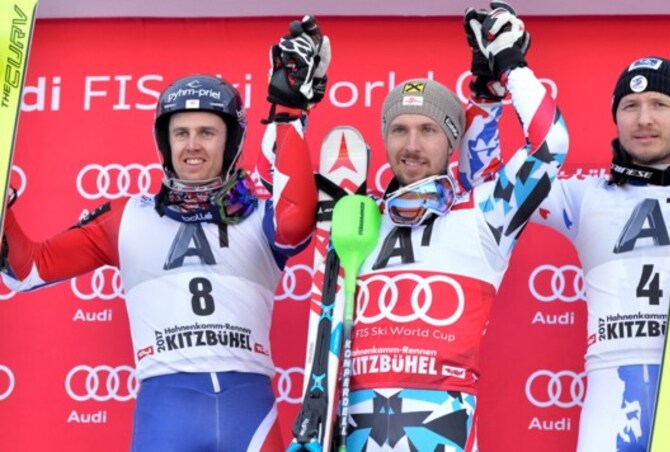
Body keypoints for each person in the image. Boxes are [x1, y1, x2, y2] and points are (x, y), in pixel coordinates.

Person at [459, 6, 670, 452]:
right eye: (630, 106)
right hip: (610, 390)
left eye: (660, 105)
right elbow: (485, 190)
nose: (643, 119)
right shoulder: (582, 198)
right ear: (615, 118)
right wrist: (489, 94)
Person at [0, 17, 329, 451]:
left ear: (231, 143)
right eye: (181, 133)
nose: (193, 145)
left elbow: (296, 219)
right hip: (166, 411)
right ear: (165, 142)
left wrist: (287, 113)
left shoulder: (261, 216)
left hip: (248, 410)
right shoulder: (127, 219)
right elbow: (26, 269)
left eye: (207, 133)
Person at [274, 3, 569, 450]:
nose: (411, 146)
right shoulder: (354, 215)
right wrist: (289, 108)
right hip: (350, 431)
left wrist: (510, 68)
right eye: (399, 130)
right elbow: (283, 201)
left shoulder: (484, 213)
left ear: (451, 141)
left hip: (439, 428)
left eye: (429, 130)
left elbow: (551, 144)